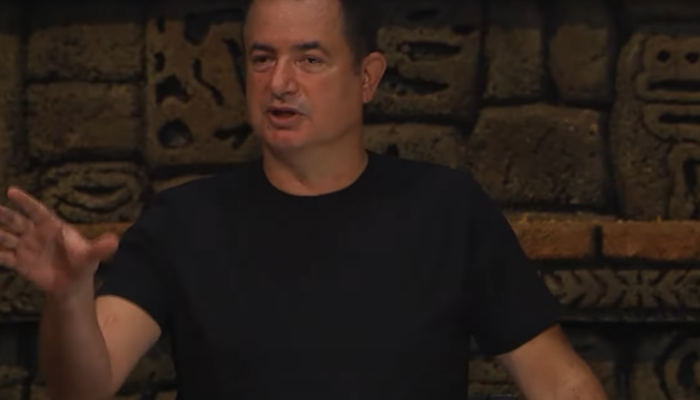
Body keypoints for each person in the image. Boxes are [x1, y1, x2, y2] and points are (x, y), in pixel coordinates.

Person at [0, 0, 608, 399]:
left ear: (366, 77)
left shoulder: (447, 210)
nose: (280, 83)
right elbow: (84, 386)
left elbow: (559, 382)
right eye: (263, 59)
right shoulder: (183, 222)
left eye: (309, 59)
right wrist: (68, 299)